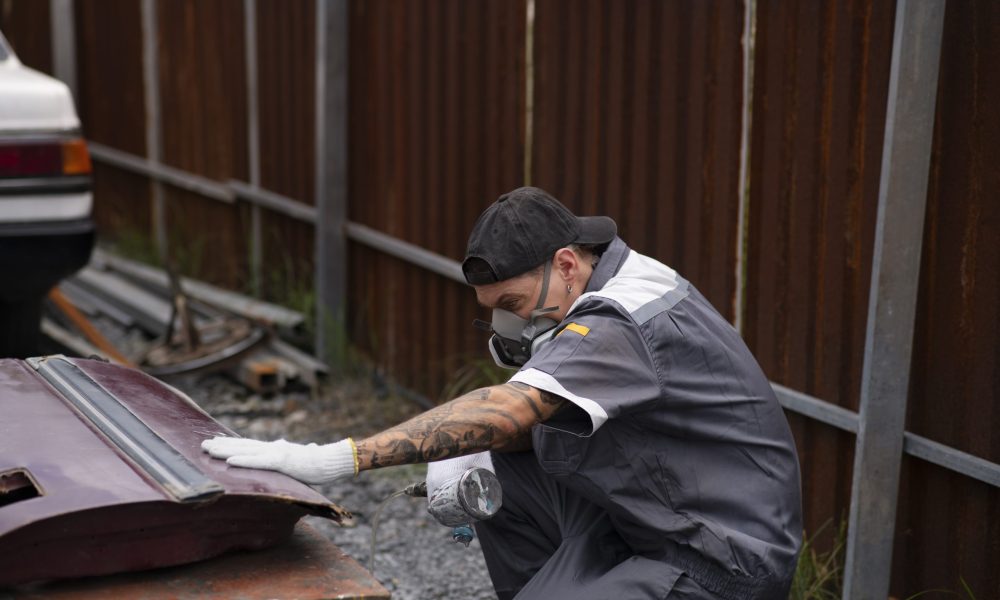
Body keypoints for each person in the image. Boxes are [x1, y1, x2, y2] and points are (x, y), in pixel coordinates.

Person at [202, 187, 803, 599]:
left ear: (565, 263)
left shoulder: (621, 321)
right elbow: (534, 425)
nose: (508, 327)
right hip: (655, 511)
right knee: (487, 475)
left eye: (512, 306)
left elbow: (511, 407)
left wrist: (335, 457)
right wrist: (462, 456)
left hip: (720, 559)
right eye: (494, 312)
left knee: (490, 443)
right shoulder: (612, 275)